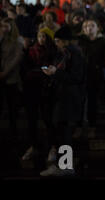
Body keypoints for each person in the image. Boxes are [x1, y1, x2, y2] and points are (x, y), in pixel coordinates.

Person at [39, 25, 86, 176]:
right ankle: (61, 164)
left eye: (58, 41)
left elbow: (76, 77)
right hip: (61, 98)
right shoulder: (63, 53)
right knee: (60, 131)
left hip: (69, 99)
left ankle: (66, 166)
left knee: (65, 132)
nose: (56, 44)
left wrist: (56, 72)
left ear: (65, 41)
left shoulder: (74, 54)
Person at [21, 28, 57, 161]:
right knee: (32, 120)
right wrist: (41, 72)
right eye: (40, 36)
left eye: (45, 36)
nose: (42, 39)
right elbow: (26, 70)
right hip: (32, 89)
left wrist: (39, 72)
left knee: (48, 119)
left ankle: (52, 147)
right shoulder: (30, 51)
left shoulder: (53, 51)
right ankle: (33, 146)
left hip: (47, 90)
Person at [0, 18, 24, 139]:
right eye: (2, 26)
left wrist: (5, 72)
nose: (4, 29)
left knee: (12, 107)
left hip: (11, 78)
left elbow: (16, 59)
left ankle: (14, 134)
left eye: (6, 26)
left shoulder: (17, 40)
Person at [77, 19, 105, 126]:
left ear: (97, 28)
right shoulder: (80, 41)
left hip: (95, 74)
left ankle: (92, 122)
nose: (89, 28)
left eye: (92, 25)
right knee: (80, 99)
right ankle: (80, 122)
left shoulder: (102, 41)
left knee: (93, 100)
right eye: (86, 26)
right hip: (81, 74)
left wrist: (98, 66)